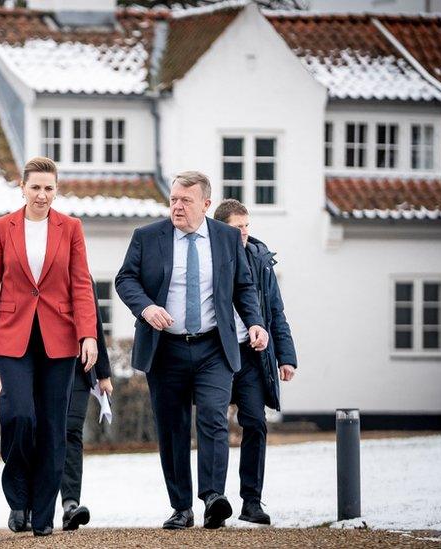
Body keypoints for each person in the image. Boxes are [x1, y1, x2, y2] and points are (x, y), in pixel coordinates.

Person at [115, 171, 268, 530]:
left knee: (214, 418)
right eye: (173, 199)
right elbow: (125, 279)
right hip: (165, 348)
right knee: (173, 427)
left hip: (213, 346)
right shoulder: (148, 236)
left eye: (186, 200)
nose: (178, 206)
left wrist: (256, 322)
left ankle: (213, 497)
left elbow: (243, 286)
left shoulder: (228, 238)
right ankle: (181, 507)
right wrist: (146, 307)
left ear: (206, 204)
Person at [0, 156, 98, 537]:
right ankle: (19, 499)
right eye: (35, 187)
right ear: (22, 188)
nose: (42, 195)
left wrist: (88, 334)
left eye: (49, 188)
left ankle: (42, 516)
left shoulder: (71, 228)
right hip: (12, 337)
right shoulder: (2, 227)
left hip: (60, 338)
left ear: (56, 190)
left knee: (52, 427)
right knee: (20, 416)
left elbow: (81, 284)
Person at [0, 290, 112, 531]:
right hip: (32, 361)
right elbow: (1, 306)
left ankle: (70, 504)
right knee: (32, 429)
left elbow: (93, 319)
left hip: (77, 365)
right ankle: (25, 502)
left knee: (69, 432)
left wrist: (103, 373)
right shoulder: (23, 259)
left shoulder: (76, 263)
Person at [213, 199, 298, 525]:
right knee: (215, 426)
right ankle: (214, 501)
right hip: (217, 353)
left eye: (247, 226)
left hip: (251, 356)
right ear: (222, 228)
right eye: (238, 227)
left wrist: (286, 357)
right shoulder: (209, 256)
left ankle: (252, 501)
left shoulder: (261, 261)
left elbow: (276, 311)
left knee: (256, 423)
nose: (245, 233)